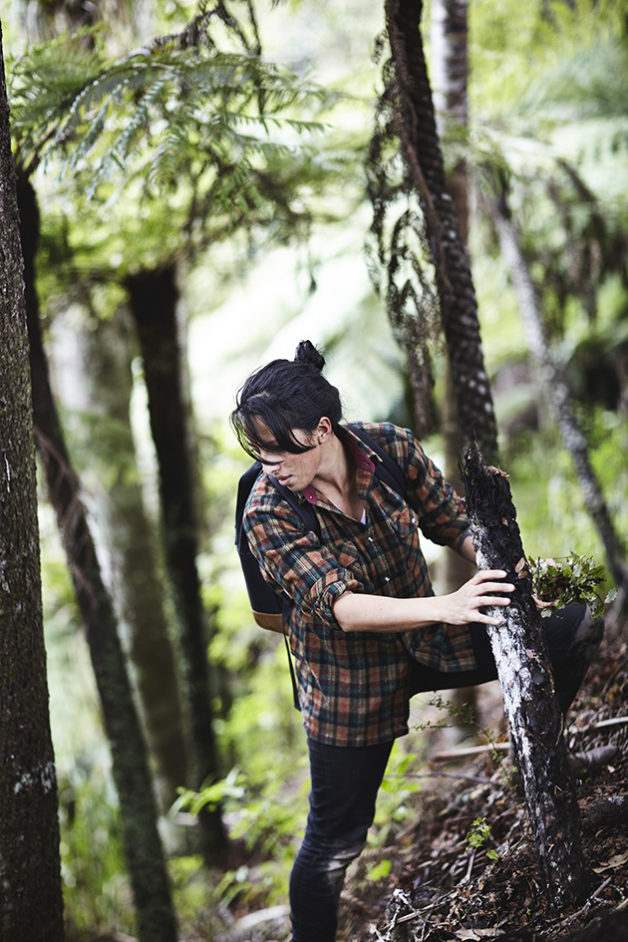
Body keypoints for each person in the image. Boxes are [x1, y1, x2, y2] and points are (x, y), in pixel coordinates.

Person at [230, 340, 602, 942]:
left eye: (278, 447)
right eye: (258, 450)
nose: (268, 462)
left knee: (575, 630)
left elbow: (453, 522)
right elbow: (344, 608)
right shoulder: (266, 513)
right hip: (348, 685)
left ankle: (534, 761)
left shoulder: (389, 448)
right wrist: (450, 604)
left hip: (434, 638)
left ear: (322, 429)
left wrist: (508, 574)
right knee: (333, 844)